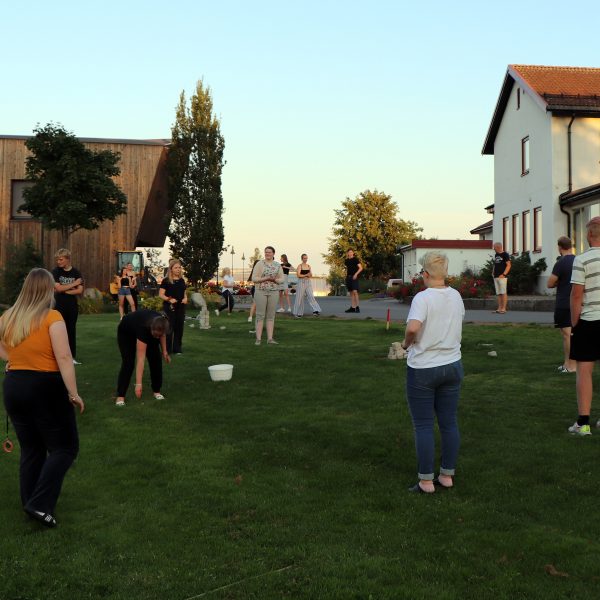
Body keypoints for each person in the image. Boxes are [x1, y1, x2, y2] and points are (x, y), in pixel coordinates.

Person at [0, 268, 84, 528]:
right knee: (65, 448)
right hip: (45, 387)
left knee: (32, 448)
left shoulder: (8, 317)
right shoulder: (52, 317)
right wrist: (73, 393)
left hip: (14, 386)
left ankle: (30, 503)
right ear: (48, 290)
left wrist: (13, 359)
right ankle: (39, 504)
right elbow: (63, 357)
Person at [401, 251, 464, 494]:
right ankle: (447, 475)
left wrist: (406, 344)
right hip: (453, 364)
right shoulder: (456, 296)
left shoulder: (423, 298)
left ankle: (426, 481)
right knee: (449, 422)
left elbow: (412, 328)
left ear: (425, 274)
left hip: (424, 368)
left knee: (424, 425)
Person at [568, 217, 600, 436]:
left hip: (589, 321)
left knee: (584, 371)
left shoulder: (581, 260)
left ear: (589, 234)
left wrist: (574, 322)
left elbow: (576, 295)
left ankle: (583, 423)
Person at [115, 309, 171, 406]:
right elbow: (141, 359)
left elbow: (162, 335)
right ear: (151, 329)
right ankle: (121, 395)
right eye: (156, 335)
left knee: (156, 360)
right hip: (126, 332)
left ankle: (156, 391)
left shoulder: (162, 321)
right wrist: (138, 384)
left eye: (159, 335)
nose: (157, 338)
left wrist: (164, 352)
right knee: (128, 362)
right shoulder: (143, 328)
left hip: (147, 328)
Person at [547, 236, 576, 373]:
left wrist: (560, 281)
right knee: (570, 335)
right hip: (576, 302)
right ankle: (566, 363)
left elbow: (550, 283)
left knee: (567, 335)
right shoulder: (578, 260)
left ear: (559, 247)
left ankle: (571, 366)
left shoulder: (561, 262)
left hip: (564, 302)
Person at [52, 248, 83, 364]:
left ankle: (71, 357)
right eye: (57, 260)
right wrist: (74, 284)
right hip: (58, 306)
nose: (58, 262)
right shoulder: (56, 272)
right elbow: (58, 288)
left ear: (67, 259)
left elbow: (79, 290)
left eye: (61, 259)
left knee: (71, 330)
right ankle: (57, 356)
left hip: (72, 307)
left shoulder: (76, 272)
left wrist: (64, 290)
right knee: (59, 332)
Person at [250, 246, 284, 345]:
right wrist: (265, 279)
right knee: (260, 315)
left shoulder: (278, 265)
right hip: (260, 291)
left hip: (274, 292)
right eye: (266, 252)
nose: (267, 254)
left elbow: (282, 279)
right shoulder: (259, 264)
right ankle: (258, 339)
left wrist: (275, 280)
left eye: (269, 252)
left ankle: (270, 339)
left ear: (273, 253)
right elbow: (254, 278)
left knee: (271, 316)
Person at [158, 259, 188, 355]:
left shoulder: (182, 280)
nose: (178, 269)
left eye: (179, 267)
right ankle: (167, 349)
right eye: (176, 268)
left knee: (179, 328)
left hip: (181, 307)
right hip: (169, 307)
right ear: (171, 269)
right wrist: (169, 299)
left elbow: (184, 292)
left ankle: (177, 349)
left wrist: (185, 298)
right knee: (169, 328)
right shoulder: (166, 281)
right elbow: (161, 294)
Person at [492, 242, 511, 314]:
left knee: (503, 292)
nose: (493, 249)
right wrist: (493, 271)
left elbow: (509, 265)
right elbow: (495, 264)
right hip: (496, 276)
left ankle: (504, 308)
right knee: (499, 293)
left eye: (494, 247)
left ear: (498, 247)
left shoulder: (505, 254)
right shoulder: (496, 255)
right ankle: (499, 308)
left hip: (502, 277)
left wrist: (504, 274)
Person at [344, 249, 363, 313]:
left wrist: (356, 274)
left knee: (355, 292)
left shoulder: (355, 259)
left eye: (351, 252)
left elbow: (361, 268)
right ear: (347, 253)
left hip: (354, 277)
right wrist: (346, 276)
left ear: (353, 253)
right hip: (348, 277)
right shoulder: (346, 261)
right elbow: (347, 269)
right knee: (351, 293)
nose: (350, 253)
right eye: (349, 252)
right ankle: (353, 307)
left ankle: (357, 307)